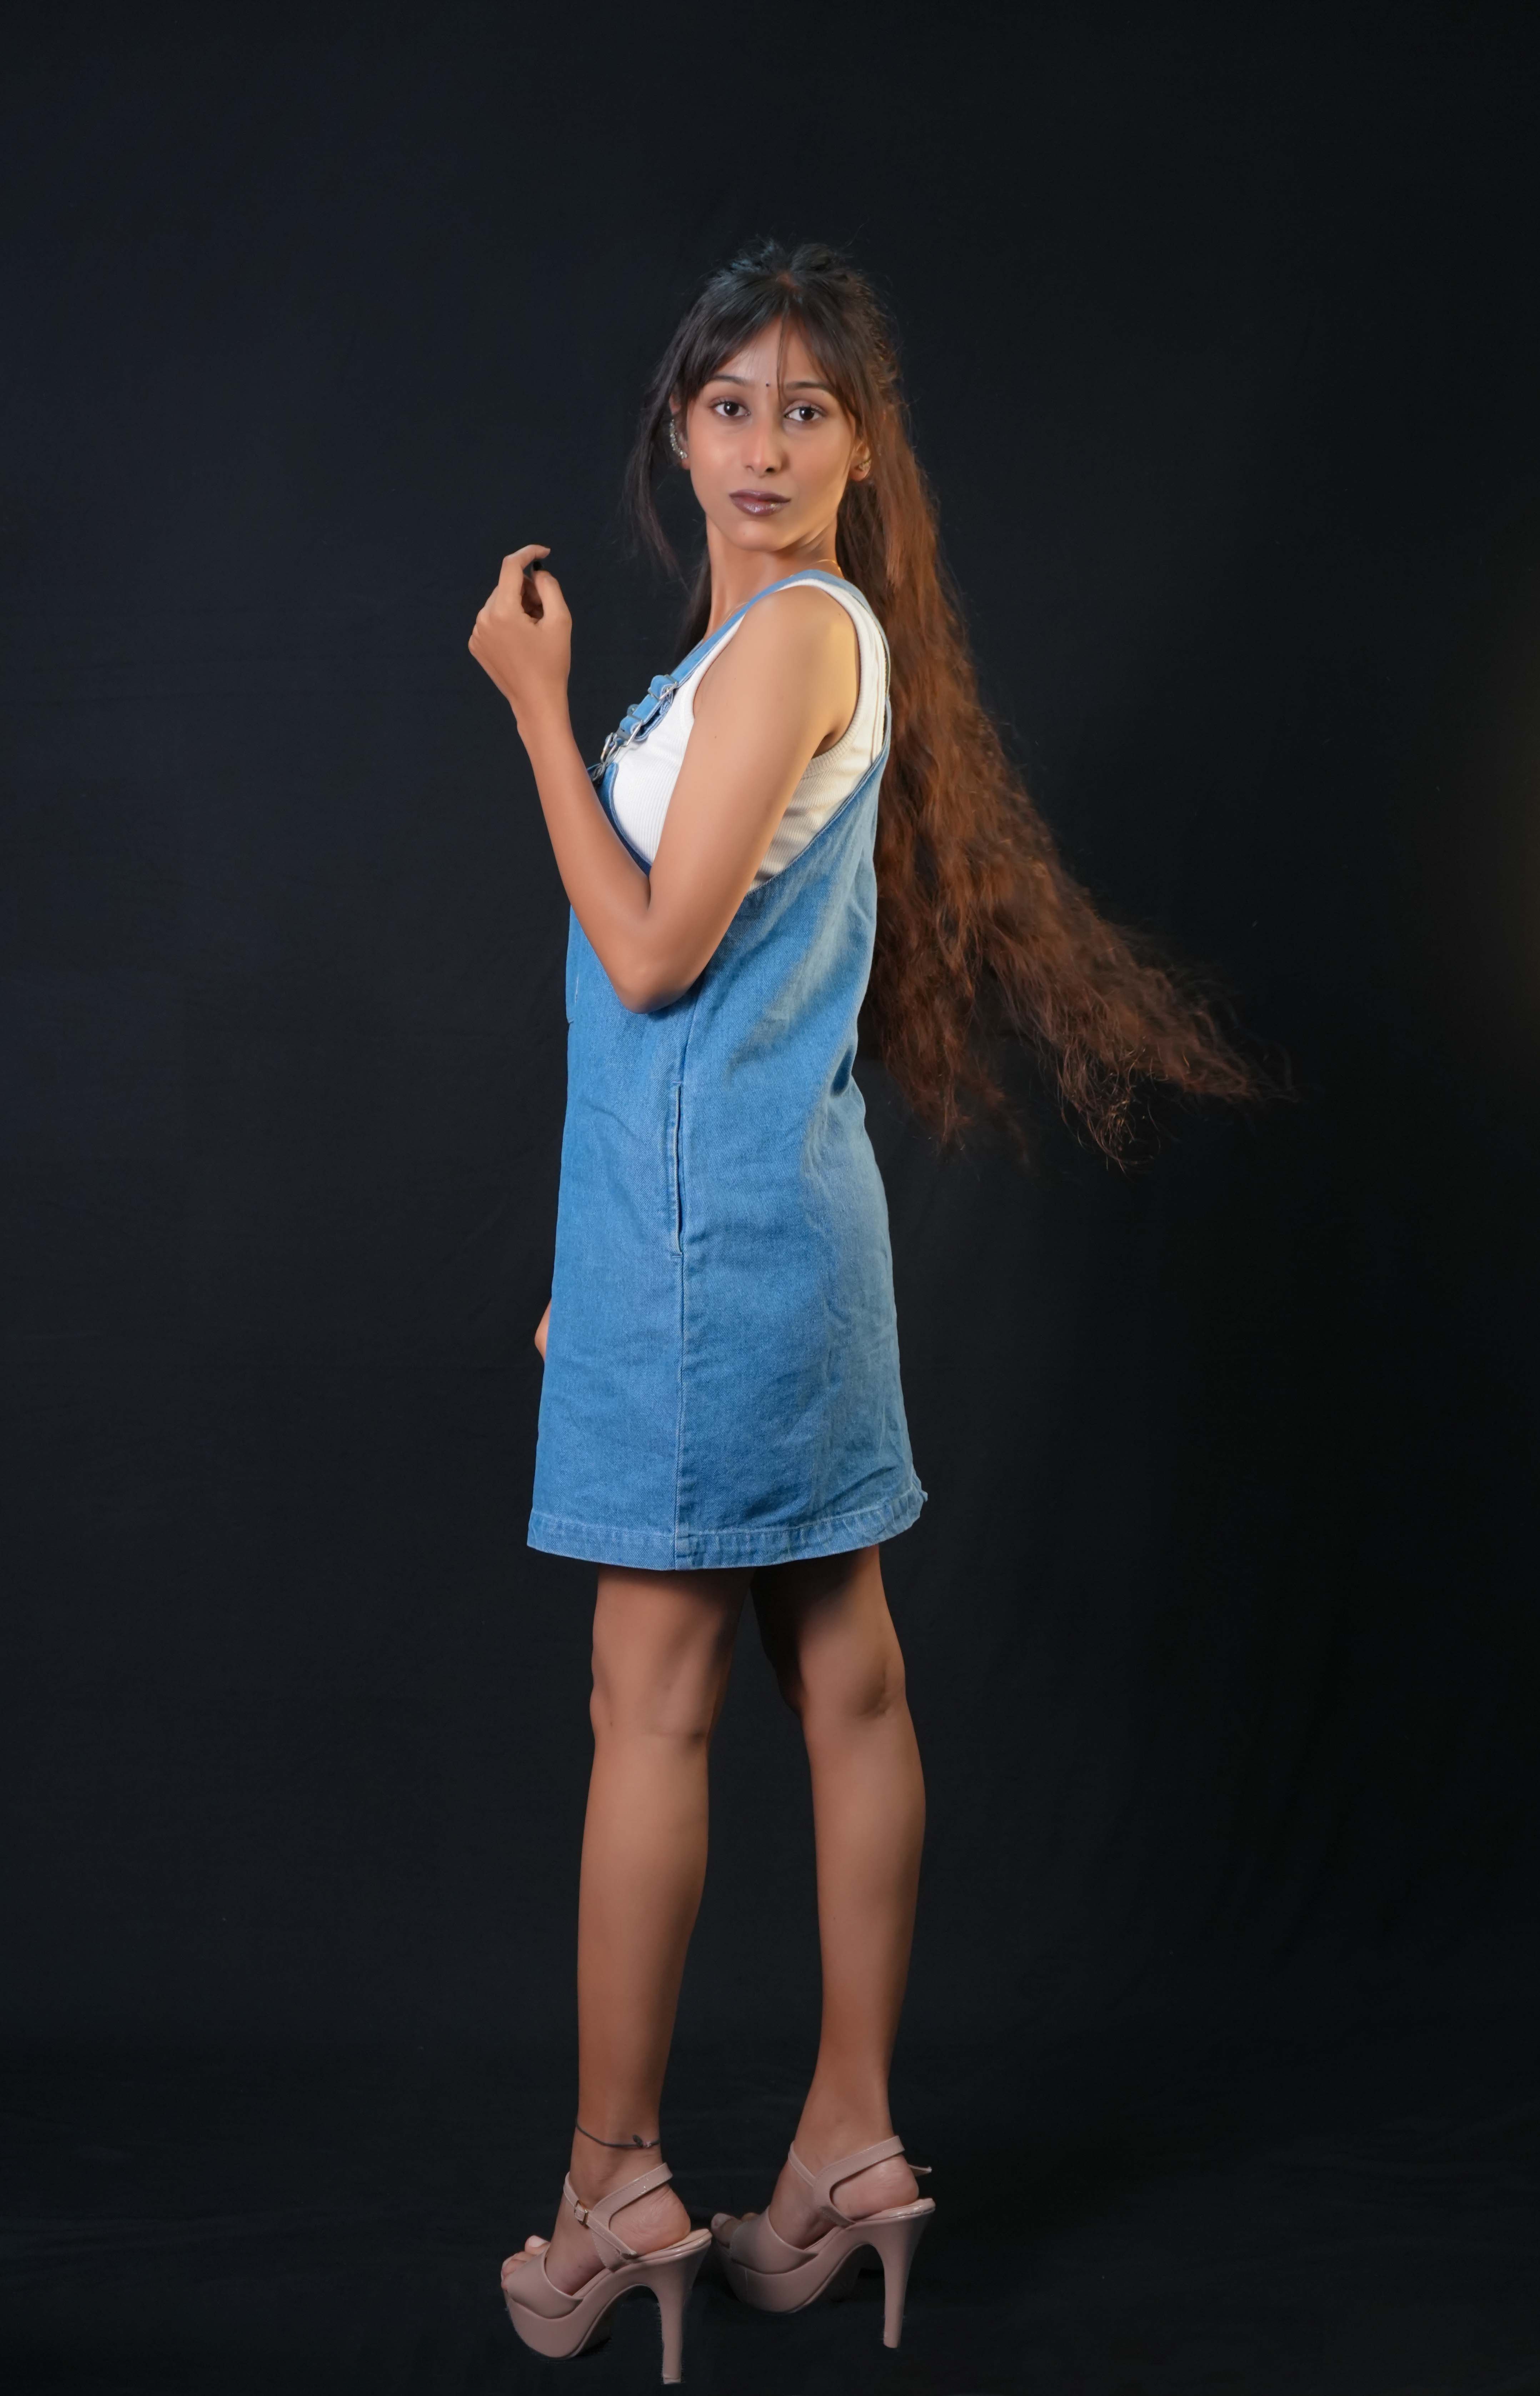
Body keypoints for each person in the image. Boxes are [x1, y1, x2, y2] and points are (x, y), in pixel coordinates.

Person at [467, 240, 1253, 2383]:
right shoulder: (764, 654)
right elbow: (708, 1026)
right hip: (746, 1237)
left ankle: (613, 2189)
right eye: (732, 402)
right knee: (849, 1679)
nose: (765, 443)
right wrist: (592, 1267)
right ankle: (844, 2151)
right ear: (679, 429)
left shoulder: (801, 638)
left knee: (652, 1704)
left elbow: (649, 958)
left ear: (862, 451)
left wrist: (531, 707)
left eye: (808, 408)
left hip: (714, 1252)